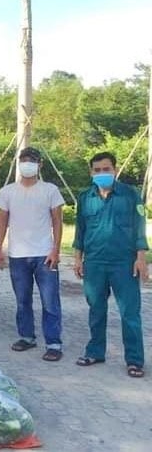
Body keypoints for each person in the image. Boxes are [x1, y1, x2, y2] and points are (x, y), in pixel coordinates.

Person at [73, 152, 149, 378]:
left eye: (106, 169)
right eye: (97, 170)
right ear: (91, 172)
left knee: (130, 313)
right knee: (96, 310)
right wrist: (78, 258)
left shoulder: (130, 195)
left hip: (124, 263)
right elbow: (80, 230)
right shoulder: (85, 197)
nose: (101, 173)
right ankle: (95, 352)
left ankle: (134, 360)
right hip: (94, 262)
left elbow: (139, 227)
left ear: (114, 170)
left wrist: (141, 257)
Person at [0, 146, 65, 361]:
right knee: (22, 300)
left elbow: (57, 220)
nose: (28, 164)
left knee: (50, 301)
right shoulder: (8, 191)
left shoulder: (50, 190)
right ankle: (26, 336)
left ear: (39, 164)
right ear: (19, 163)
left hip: (44, 254)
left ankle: (53, 343)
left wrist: (56, 249)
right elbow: (1, 222)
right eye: (24, 160)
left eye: (32, 160)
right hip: (18, 255)